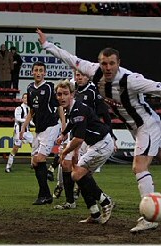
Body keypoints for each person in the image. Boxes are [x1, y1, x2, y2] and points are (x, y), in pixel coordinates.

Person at [37, 28, 161, 233]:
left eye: (112, 63)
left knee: (139, 166)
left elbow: (160, 87)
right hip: (135, 127)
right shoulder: (93, 71)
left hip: (147, 124)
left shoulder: (131, 79)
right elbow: (71, 59)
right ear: (99, 63)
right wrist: (47, 45)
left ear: (118, 63)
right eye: (104, 63)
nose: (107, 68)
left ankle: (149, 217)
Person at [55, 79, 114, 224]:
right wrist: (63, 133)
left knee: (77, 174)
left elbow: (79, 138)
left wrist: (64, 152)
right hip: (94, 144)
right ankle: (95, 214)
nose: (62, 97)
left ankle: (106, 202)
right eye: (59, 94)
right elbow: (72, 124)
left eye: (65, 94)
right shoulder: (72, 109)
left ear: (72, 94)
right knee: (79, 176)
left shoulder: (78, 110)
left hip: (102, 144)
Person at [19, 61, 66, 205]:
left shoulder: (49, 87)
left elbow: (59, 107)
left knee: (40, 159)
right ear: (32, 72)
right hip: (39, 129)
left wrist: (63, 127)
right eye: (36, 70)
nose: (38, 73)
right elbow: (32, 111)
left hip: (51, 127)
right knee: (34, 162)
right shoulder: (30, 88)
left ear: (44, 73)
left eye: (41, 70)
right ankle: (45, 194)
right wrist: (24, 127)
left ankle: (44, 195)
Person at [6, 93, 34, 173]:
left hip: (27, 131)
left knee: (34, 146)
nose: (26, 99)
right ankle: (8, 166)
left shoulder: (29, 109)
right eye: (24, 98)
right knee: (15, 148)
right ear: (22, 99)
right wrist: (26, 120)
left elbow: (30, 122)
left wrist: (36, 124)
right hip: (19, 131)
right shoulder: (19, 108)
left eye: (27, 98)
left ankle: (33, 164)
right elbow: (17, 119)